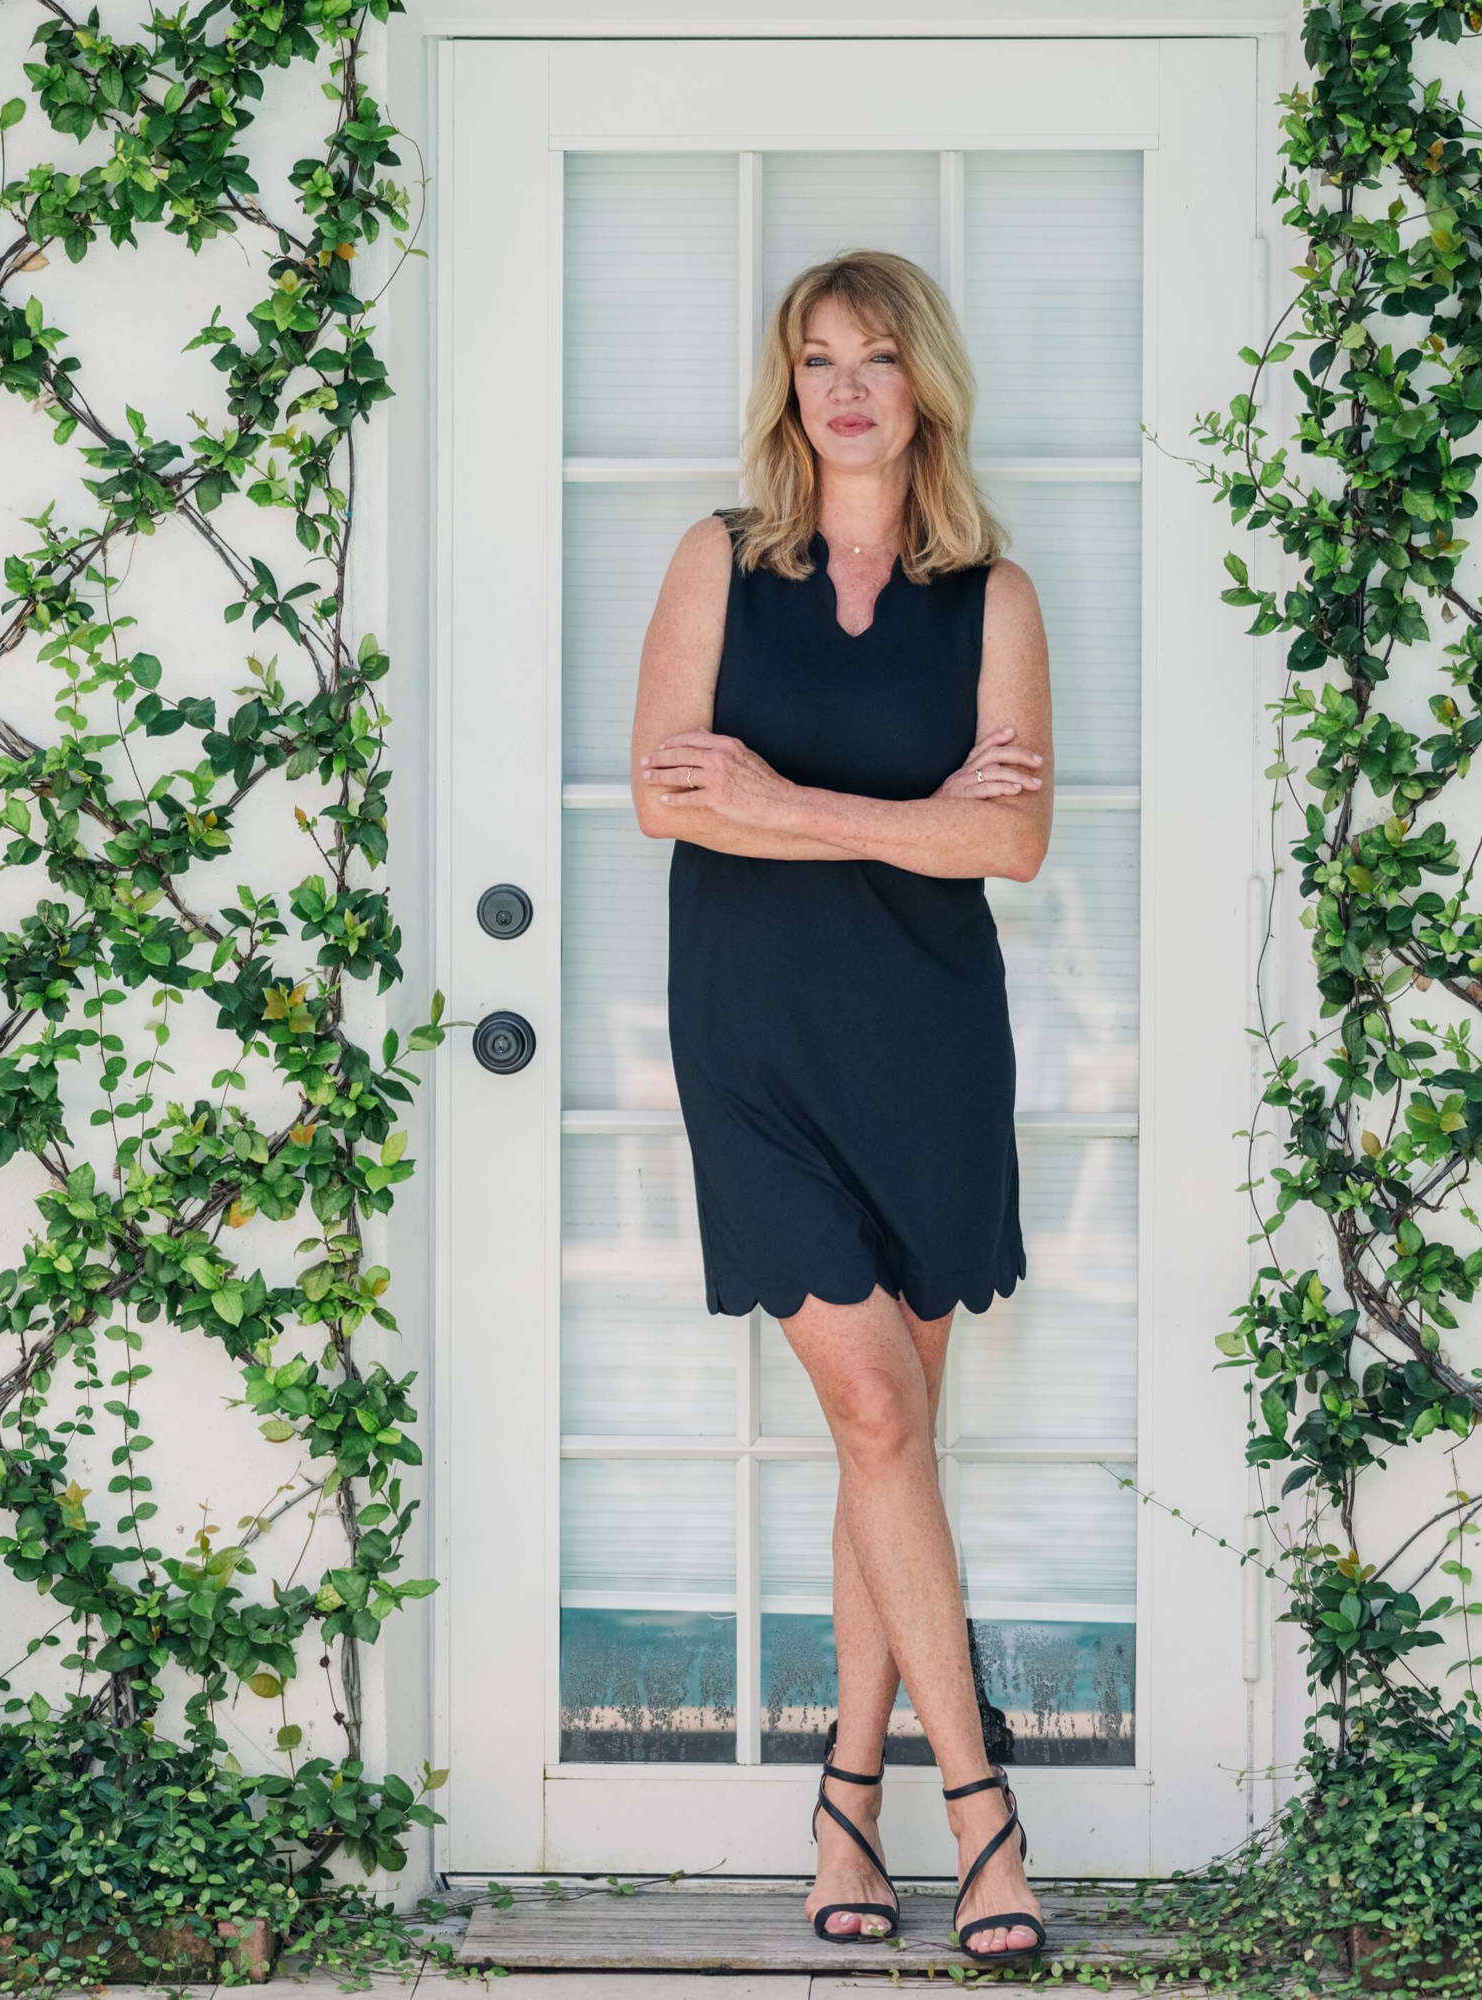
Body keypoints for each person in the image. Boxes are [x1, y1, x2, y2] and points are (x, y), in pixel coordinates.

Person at [628, 248, 1053, 1967]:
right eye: (818, 360)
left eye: (878, 358)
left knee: (891, 1443)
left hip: (930, 1047)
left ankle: (845, 1799)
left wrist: (786, 798)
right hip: (760, 1048)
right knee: (876, 1410)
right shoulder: (717, 563)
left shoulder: (993, 598)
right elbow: (674, 802)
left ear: (922, 384)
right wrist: (902, 811)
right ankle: (989, 1827)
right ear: (787, 388)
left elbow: (1009, 844)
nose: (848, 387)